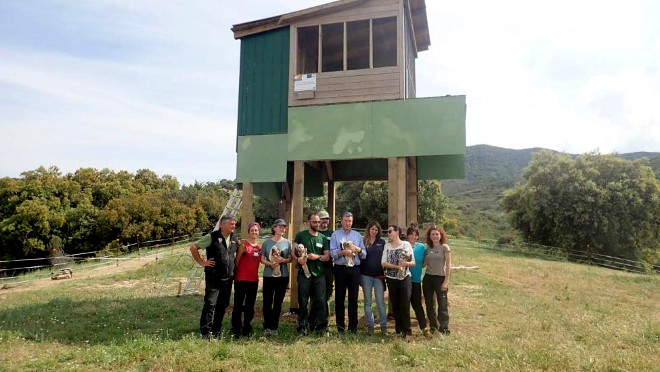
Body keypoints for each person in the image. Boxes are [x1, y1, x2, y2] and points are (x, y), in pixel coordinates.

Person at [190, 215, 239, 340]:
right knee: (210, 304)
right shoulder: (212, 237)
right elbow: (194, 247)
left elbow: (237, 254)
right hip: (214, 278)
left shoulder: (234, 239)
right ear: (222, 224)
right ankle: (205, 332)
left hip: (228, 279)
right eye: (231, 224)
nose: (234, 226)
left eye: (234, 224)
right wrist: (202, 262)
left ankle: (216, 330)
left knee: (223, 305)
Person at [293, 213, 330, 335]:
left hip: (319, 274)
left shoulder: (322, 238)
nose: (318, 224)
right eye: (315, 222)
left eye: (319, 222)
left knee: (320, 300)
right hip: (304, 273)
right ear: (308, 223)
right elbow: (294, 251)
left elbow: (327, 256)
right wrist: (298, 259)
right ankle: (302, 327)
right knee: (303, 301)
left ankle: (320, 326)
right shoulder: (300, 236)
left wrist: (317, 257)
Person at [330, 211, 366, 333]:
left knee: (353, 300)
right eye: (346, 220)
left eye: (350, 221)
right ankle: (340, 328)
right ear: (342, 221)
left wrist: (359, 249)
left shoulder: (357, 236)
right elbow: (332, 254)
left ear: (352, 222)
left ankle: (353, 328)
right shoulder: (335, 235)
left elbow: (364, 254)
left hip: (355, 269)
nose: (348, 223)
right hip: (340, 269)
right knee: (339, 299)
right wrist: (343, 252)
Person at [381, 225, 415, 342]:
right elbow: (383, 263)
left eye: (390, 231)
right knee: (395, 306)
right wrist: (396, 266)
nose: (388, 233)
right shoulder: (387, 246)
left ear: (397, 232)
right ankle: (398, 332)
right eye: (387, 231)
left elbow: (413, 262)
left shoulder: (406, 245)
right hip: (391, 279)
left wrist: (405, 264)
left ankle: (408, 332)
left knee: (405, 305)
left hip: (405, 278)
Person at [260, 219, 292, 336]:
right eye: (280, 227)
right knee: (267, 301)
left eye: (284, 227)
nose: (282, 229)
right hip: (269, 275)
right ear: (274, 228)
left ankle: (274, 326)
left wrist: (283, 260)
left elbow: (290, 258)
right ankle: (266, 326)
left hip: (282, 276)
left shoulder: (287, 243)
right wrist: (270, 264)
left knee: (278, 303)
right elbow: (262, 258)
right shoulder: (267, 243)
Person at [230, 222, 262, 338]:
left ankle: (247, 327)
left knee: (250, 306)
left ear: (259, 232)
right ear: (249, 232)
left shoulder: (259, 247)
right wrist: (235, 275)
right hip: (241, 279)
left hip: (253, 280)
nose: (254, 232)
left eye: (256, 230)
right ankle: (236, 328)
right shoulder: (244, 245)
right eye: (252, 230)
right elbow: (237, 261)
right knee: (238, 305)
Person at [423, 226, 452, 335]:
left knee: (442, 304)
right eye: (432, 234)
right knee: (430, 304)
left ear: (441, 235)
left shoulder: (445, 247)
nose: (434, 236)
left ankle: (444, 327)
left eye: (437, 234)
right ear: (429, 237)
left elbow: (449, 265)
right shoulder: (428, 249)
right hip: (428, 278)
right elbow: (423, 264)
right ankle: (433, 326)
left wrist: (446, 281)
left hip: (440, 278)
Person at [360, 221, 387, 335]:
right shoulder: (363, 242)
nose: (374, 231)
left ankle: (383, 327)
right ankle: (370, 326)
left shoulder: (382, 242)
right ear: (369, 229)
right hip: (365, 275)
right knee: (368, 302)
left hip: (379, 276)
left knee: (380, 302)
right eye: (372, 229)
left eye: (376, 230)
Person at [407, 223, 430, 337]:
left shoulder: (421, 247)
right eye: (411, 234)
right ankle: (406, 330)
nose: (414, 237)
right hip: (404, 280)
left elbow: (425, 263)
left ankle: (424, 328)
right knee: (405, 305)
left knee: (417, 305)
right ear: (407, 236)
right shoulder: (404, 245)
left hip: (416, 280)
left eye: (416, 235)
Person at [315, 210, 334, 329]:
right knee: (316, 294)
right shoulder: (314, 232)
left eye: (326, 219)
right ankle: (314, 319)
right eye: (322, 219)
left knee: (327, 293)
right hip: (315, 267)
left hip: (328, 267)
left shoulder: (332, 233)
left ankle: (324, 320)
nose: (324, 221)